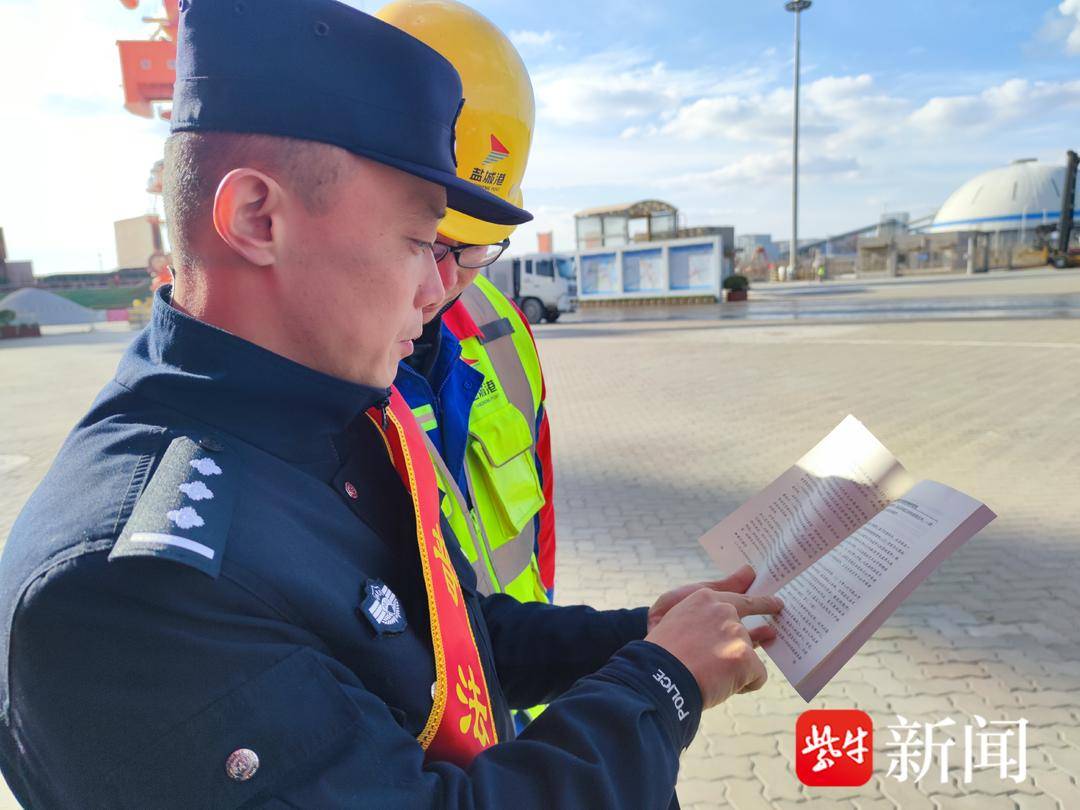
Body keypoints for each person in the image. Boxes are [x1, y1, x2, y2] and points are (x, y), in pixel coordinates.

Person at [0, 1, 783, 807]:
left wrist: (636, 635)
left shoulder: (338, 417)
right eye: (419, 242)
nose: (441, 290)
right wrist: (661, 682)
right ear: (257, 218)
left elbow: (452, 642)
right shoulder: (129, 591)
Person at [381, 1, 554, 610]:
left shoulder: (502, 328)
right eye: (425, 242)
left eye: (474, 247)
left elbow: (539, 523)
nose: (443, 283)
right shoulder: (320, 359)